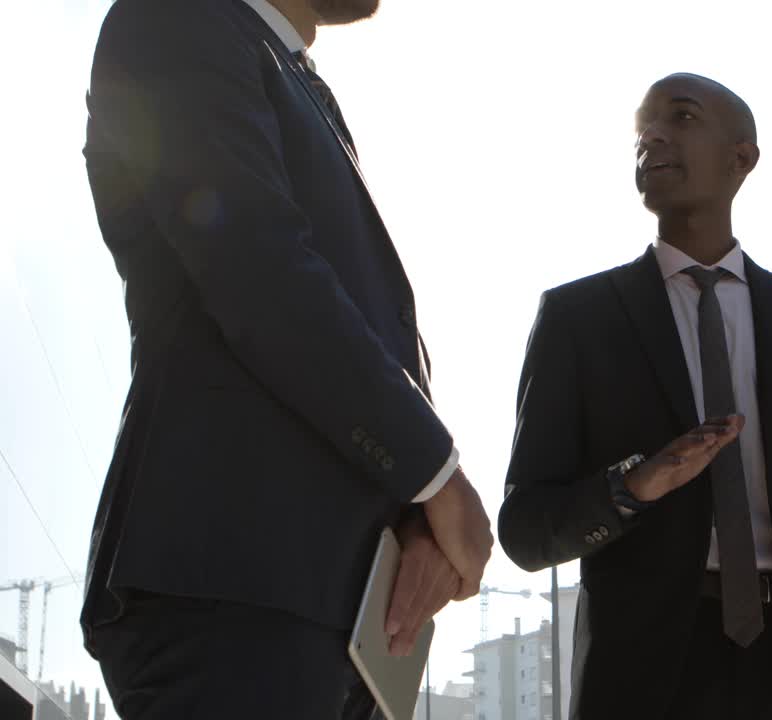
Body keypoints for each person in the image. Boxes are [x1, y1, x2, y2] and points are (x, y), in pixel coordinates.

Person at [80, 0, 492, 717]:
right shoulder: (176, 19)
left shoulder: (293, 78)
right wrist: (437, 476)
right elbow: (258, 269)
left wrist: (414, 519)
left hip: (343, 616)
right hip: (232, 589)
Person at [497, 73, 772, 720]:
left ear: (742, 157)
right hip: (643, 677)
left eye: (680, 117)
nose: (651, 136)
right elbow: (525, 530)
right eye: (642, 129)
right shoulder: (577, 320)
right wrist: (635, 485)